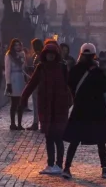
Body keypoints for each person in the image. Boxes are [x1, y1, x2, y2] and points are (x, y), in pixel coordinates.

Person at [21, 42, 72, 175]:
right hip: (46, 107)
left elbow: (71, 85)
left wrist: (70, 101)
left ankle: (58, 165)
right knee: (49, 136)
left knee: (58, 137)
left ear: (56, 55)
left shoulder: (62, 67)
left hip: (59, 107)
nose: (50, 56)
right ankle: (51, 164)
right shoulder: (41, 68)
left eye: (53, 54)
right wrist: (23, 99)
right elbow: (32, 84)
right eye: (48, 54)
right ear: (45, 55)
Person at [62, 43, 106, 179]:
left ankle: (66, 167)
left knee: (75, 139)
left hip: (81, 107)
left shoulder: (75, 69)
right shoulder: (97, 70)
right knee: (100, 140)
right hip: (97, 108)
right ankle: (105, 168)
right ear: (94, 55)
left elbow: (69, 84)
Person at [4, 39, 27, 130]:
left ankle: (20, 124)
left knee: (21, 103)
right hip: (13, 79)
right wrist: (8, 83)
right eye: (15, 45)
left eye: (19, 45)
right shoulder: (9, 55)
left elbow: (23, 68)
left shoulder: (22, 54)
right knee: (14, 103)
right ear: (12, 46)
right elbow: (7, 70)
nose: (17, 47)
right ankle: (13, 123)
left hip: (20, 78)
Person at [26, 38, 44, 131]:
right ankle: (37, 123)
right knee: (38, 104)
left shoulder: (40, 56)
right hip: (37, 82)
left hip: (38, 83)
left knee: (38, 104)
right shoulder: (37, 55)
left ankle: (38, 123)